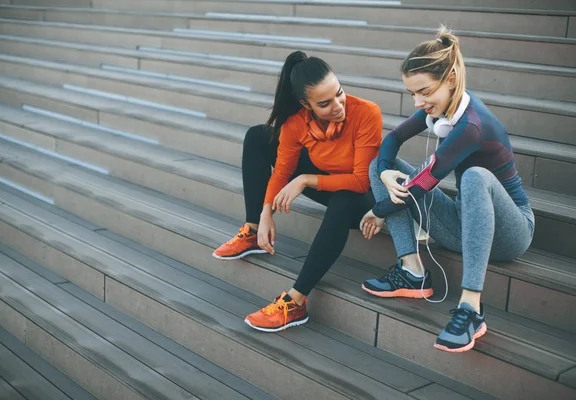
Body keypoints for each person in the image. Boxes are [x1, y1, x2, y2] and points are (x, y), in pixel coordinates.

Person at [360, 27, 535, 353]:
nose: (418, 102)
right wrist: (384, 173)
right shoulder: (439, 111)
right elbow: (392, 139)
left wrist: (377, 210)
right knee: (378, 166)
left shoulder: (471, 125)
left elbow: (424, 184)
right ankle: (412, 272)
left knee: (474, 177)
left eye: (424, 92)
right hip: (464, 223)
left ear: (451, 78)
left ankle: (471, 309)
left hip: (512, 233)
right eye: (413, 93)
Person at [213, 51, 382, 332]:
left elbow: (361, 181)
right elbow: (281, 171)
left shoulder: (366, 113)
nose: (338, 105)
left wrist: (305, 179)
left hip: (362, 198)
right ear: (306, 104)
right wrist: (266, 213)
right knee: (258, 135)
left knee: (343, 199)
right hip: (328, 182)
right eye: (325, 103)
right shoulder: (297, 123)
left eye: (339, 93)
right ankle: (252, 232)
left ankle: (296, 302)